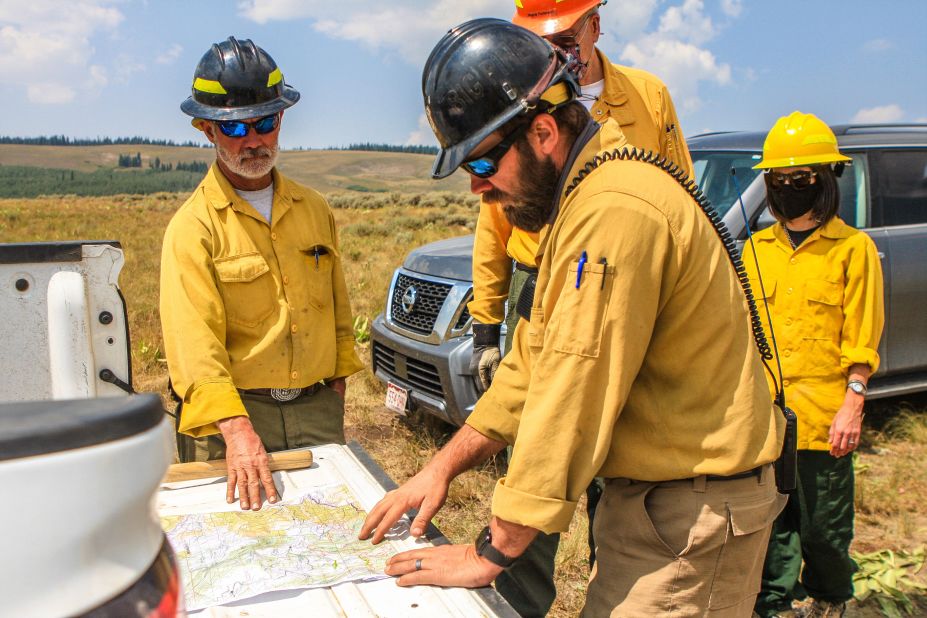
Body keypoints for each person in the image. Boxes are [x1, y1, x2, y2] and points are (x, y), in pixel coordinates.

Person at [360, 19, 785, 616]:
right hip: (662, 507)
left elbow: (570, 389)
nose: (479, 191)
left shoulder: (612, 210)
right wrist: (443, 466)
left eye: (483, 166)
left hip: (692, 522)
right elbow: (533, 359)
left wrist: (492, 551)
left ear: (542, 131)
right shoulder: (585, 197)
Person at [467, 2, 693, 613]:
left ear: (596, 24)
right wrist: (488, 324)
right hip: (541, 279)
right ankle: (518, 592)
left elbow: (679, 196)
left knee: (613, 442)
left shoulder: (647, 98)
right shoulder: (515, 96)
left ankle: (616, 576)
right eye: (539, 40)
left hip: (625, 280)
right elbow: (494, 218)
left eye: (565, 37)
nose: (555, 51)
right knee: (539, 439)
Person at [160, 37, 363, 512]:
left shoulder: (314, 209)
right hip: (232, 425)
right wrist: (237, 430)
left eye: (264, 123)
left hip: (316, 411)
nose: (252, 140)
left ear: (281, 119)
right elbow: (194, 349)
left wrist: (332, 393)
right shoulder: (192, 228)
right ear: (207, 130)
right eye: (232, 128)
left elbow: (338, 315)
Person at [746, 112, 884, 618]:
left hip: (825, 420)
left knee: (825, 531)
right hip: (765, 420)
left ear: (826, 180)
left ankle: (831, 598)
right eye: (779, 181)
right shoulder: (755, 251)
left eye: (801, 180)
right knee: (772, 526)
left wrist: (853, 404)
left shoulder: (853, 250)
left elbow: (862, 339)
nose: (789, 189)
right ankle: (776, 605)